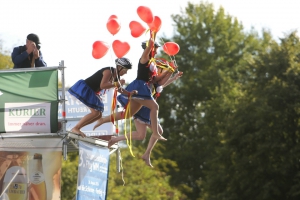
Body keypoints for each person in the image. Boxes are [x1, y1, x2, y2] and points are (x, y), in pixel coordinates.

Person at [94, 37, 171, 141]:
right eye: (155, 49)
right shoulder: (144, 58)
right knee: (155, 107)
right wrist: (151, 40)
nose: (157, 51)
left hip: (143, 88)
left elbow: (155, 79)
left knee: (127, 114)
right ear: (151, 49)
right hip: (139, 86)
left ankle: (103, 120)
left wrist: (169, 71)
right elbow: (148, 48)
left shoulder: (152, 63)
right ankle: (156, 133)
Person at [102, 71, 183, 167]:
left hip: (147, 110)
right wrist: (171, 74)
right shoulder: (151, 81)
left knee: (141, 135)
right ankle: (146, 153)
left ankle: (117, 140)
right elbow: (161, 84)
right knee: (157, 131)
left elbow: (162, 85)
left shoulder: (156, 85)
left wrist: (174, 78)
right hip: (142, 109)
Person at [68, 57, 137, 138]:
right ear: (119, 67)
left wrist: (128, 93)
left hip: (91, 91)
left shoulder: (116, 76)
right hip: (86, 88)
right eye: (125, 70)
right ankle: (76, 128)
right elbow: (103, 85)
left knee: (99, 115)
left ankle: (77, 128)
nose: (126, 73)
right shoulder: (109, 71)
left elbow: (118, 89)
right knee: (95, 113)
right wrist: (116, 84)